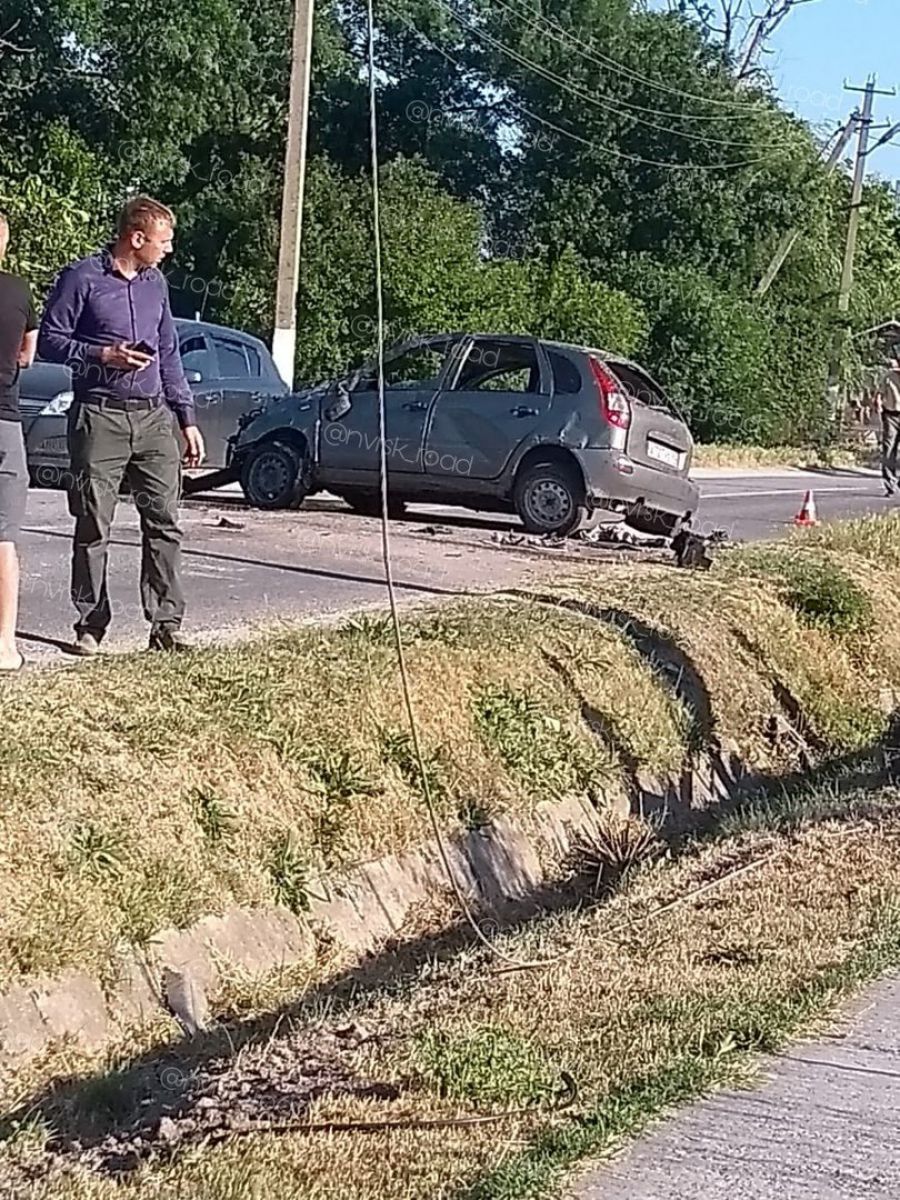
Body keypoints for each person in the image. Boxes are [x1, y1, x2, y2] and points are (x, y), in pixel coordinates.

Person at [38, 195, 205, 655]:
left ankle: (166, 624)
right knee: (93, 523)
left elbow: (168, 351)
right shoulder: (82, 278)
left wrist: (186, 418)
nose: (168, 249)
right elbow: (50, 339)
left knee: (165, 523)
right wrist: (101, 355)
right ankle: (90, 623)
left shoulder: (157, 284)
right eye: (163, 241)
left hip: (153, 418)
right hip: (100, 416)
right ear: (136, 238)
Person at [0, 213, 37, 672]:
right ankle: (5, 645)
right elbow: (28, 354)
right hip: (3, 422)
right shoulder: (19, 291)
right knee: (3, 537)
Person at [876, 353, 900, 497]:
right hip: (891, 415)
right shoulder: (888, 377)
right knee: (889, 448)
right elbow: (879, 393)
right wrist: (878, 403)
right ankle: (890, 483)